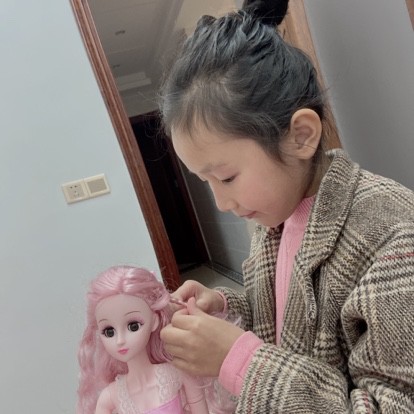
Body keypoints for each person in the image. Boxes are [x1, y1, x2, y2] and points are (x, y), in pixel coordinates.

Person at [158, 0, 414, 412]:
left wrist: (240, 361)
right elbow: (282, 319)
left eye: (227, 177)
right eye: (206, 183)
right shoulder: (273, 223)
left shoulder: (392, 236)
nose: (221, 202)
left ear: (301, 136)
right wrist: (225, 308)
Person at [76, 265, 210, 414]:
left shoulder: (176, 374)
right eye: (109, 331)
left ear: (154, 321)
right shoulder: (109, 398)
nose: (120, 340)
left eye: (133, 326)